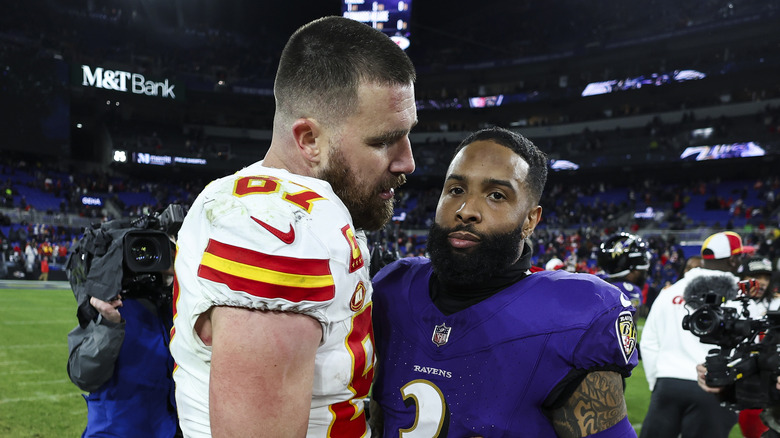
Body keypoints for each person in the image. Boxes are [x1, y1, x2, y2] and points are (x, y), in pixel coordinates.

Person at [169, 16, 417, 437]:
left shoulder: (240, 194)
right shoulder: (281, 229)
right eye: (382, 141)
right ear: (308, 140)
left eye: (407, 134)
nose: (407, 161)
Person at [371, 127, 638, 437]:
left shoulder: (573, 317)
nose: (466, 210)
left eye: (496, 195)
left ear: (530, 220)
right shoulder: (394, 287)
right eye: (456, 189)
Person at [640, 231, 745, 438]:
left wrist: (657, 381)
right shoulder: (740, 297)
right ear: (733, 259)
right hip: (714, 388)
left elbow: (649, 342)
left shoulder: (670, 293)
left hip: (667, 384)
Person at [67, 272, 178, 437]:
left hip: (170, 428)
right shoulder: (108, 304)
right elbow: (83, 375)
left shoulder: (175, 303)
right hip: (116, 431)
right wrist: (109, 324)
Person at [597, 232, 651, 317]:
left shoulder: (597, 280)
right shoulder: (629, 290)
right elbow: (628, 326)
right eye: (640, 271)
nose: (643, 274)